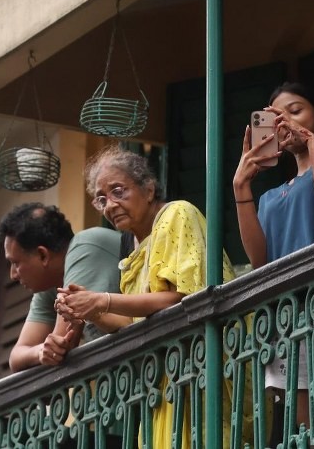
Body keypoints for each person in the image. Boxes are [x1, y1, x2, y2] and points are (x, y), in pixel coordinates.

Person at [55, 145, 245, 448]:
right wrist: (88, 310)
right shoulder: (133, 249)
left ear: (148, 189)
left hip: (206, 366)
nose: (110, 205)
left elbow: (181, 299)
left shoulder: (177, 213)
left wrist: (102, 300)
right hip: (167, 379)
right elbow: (133, 321)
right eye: (101, 199)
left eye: (118, 191)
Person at [233, 81, 314, 444]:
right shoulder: (271, 196)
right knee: (312, 430)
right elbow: (259, 259)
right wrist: (241, 186)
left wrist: (311, 142)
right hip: (288, 315)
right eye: (276, 118)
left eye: (295, 111)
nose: (285, 121)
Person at [0, 203, 129, 372]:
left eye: (15, 263)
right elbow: (16, 358)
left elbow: (63, 343)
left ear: (43, 255)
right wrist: (40, 351)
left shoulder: (84, 247)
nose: (13, 275)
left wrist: (47, 349)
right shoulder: (50, 285)